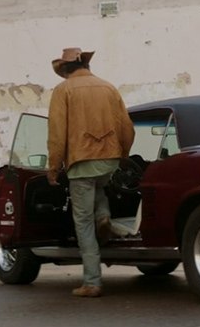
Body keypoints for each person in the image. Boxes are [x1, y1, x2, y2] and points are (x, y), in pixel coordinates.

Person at [46, 47, 135, 298]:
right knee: (99, 189)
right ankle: (104, 215)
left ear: (64, 70)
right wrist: (123, 154)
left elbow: (56, 134)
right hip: (109, 160)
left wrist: (53, 167)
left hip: (81, 162)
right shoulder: (108, 87)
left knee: (83, 222)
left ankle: (92, 281)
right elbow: (126, 126)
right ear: (86, 65)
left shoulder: (63, 91)